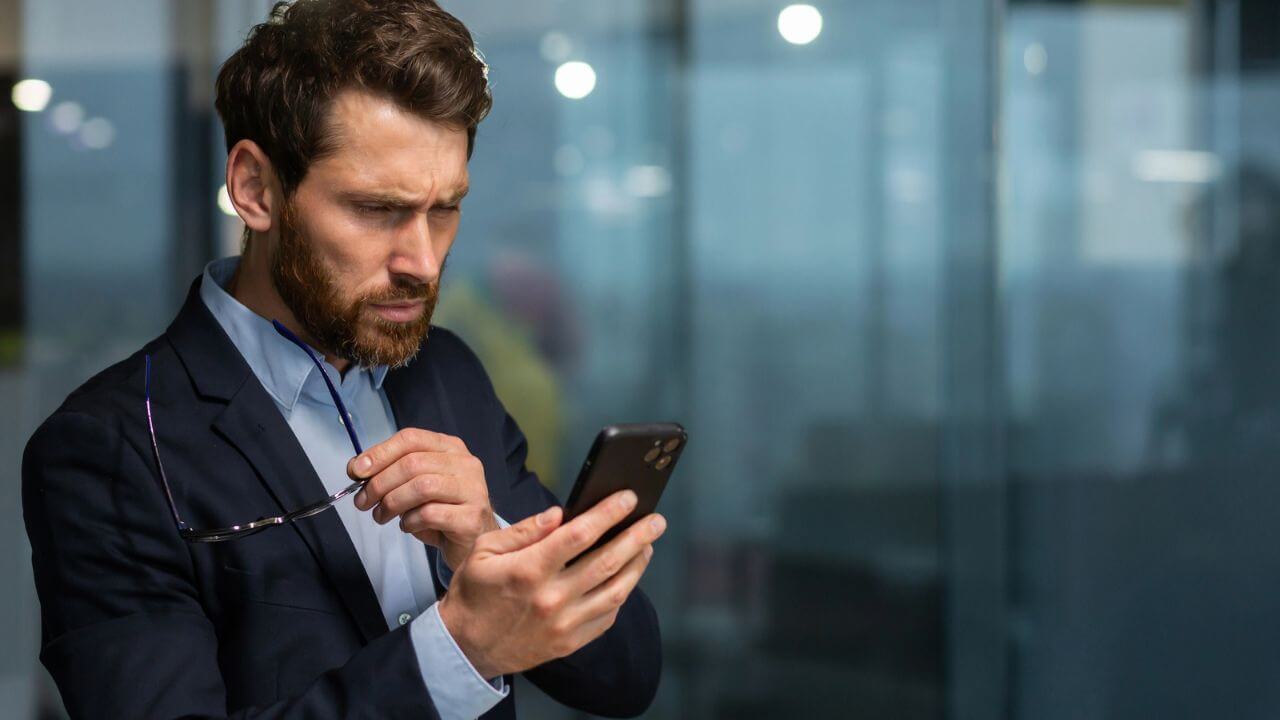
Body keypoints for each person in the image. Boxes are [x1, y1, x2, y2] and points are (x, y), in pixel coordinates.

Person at [20, 1, 665, 718]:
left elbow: (625, 678)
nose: (423, 262)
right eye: (377, 209)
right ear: (256, 189)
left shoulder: (447, 373)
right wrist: (463, 649)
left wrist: (490, 544)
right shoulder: (110, 449)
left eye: (445, 208)